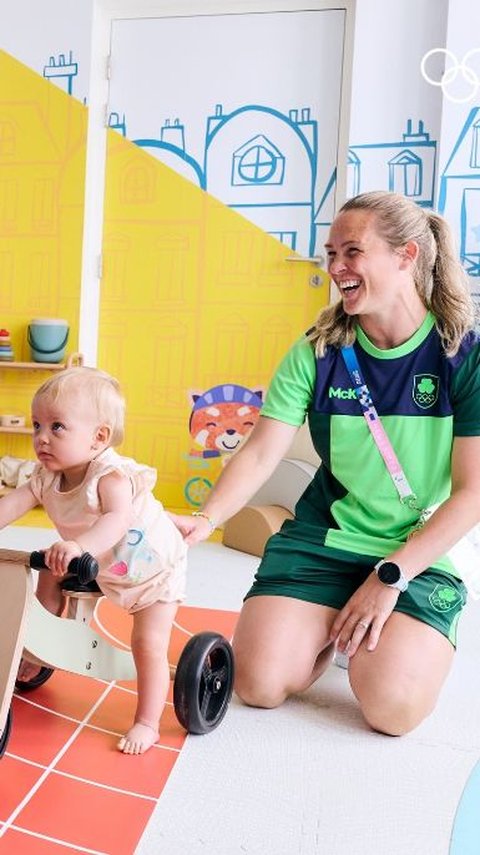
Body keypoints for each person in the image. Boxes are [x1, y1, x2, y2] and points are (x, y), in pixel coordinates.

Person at [170, 190, 480, 737]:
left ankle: (371, 638)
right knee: (258, 685)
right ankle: (330, 626)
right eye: (331, 254)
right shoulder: (318, 351)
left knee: (391, 710)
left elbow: (472, 493)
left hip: (413, 552)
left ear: (406, 255)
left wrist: (391, 576)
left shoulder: (462, 355)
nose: (337, 268)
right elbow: (262, 449)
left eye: (352, 252)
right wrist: (207, 518)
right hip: (324, 538)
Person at [0, 367, 187, 754]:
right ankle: (42, 647)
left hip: (152, 573)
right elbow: (12, 505)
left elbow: (115, 520)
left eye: (57, 427)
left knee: (148, 644)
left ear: (98, 437)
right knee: (47, 573)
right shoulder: (45, 475)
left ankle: (147, 722)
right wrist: (75, 550)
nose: (40, 437)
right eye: (37, 425)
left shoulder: (110, 476)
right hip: (98, 565)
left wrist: (79, 546)